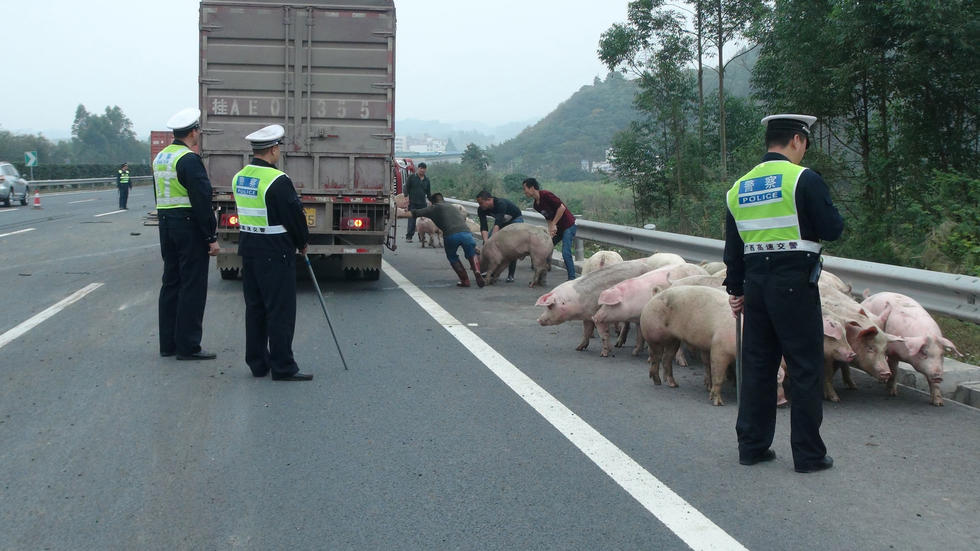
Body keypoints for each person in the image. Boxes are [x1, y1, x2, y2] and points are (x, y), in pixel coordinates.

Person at [723, 114, 844, 474]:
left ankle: (752, 447)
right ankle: (808, 455)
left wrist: (735, 288)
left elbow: (734, 247)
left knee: (758, 366)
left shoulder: (739, 187)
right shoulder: (803, 179)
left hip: (756, 286)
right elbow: (832, 228)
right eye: (805, 143)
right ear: (797, 140)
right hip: (794, 283)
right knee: (805, 367)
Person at [232, 124, 313, 381]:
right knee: (280, 310)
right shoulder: (278, 181)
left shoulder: (240, 177)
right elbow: (295, 217)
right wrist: (302, 242)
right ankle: (283, 366)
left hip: (249, 249)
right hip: (275, 251)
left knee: (255, 308)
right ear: (274, 149)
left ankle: (258, 363)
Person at [153, 108, 220, 360]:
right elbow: (201, 201)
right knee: (192, 285)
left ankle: (168, 344)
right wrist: (211, 237)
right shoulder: (189, 159)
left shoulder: (160, 158)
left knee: (171, 283)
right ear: (193, 132)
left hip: (166, 224)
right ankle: (189, 346)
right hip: (188, 226)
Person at [398, 193, 485, 288]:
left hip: (451, 235)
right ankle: (477, 271)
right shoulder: (452, 207)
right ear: (443, 199)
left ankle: (465, 280)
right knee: (472, 253)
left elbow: (415, 213)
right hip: (466, 233)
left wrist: (400, 214)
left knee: (453, 257)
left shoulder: (433, 208)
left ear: (432, 202)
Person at [522, 177, 577, 280]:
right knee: (544, 248)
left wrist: (554, 224)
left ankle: (572, 278)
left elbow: (561, 208)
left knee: (565, 252)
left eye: (525, 188)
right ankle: (542, 274)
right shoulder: (536, 205)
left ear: (532, 188)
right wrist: (550, 230)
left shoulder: (546, 195)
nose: (524, 192)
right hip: (557, 228)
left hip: (568, 226)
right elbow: (548, 218)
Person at [475, 189, 524, 282]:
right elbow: (484, 226)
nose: (480, 205)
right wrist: (486, 242)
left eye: (481, 203)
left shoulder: (500, 204)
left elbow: (497, 224)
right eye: (478, 203)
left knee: (511, 247)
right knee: (488, 244)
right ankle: (491, 271)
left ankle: (511, 275)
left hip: (515, 220)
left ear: (489, 199)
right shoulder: (481, 209)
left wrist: (491, 242)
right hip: (502, 222)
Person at [404, 162, 431, 242]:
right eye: (421, 168)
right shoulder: (412, 177)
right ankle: (409, 237)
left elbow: (428, 192)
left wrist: (430, 200)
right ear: (418, 168)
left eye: (424, 168)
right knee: (412, 220)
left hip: (422, 203)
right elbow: (406, 188)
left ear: (425, 170)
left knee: (422, 221)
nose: (422, 170)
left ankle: (422, 237)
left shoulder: (427, 180)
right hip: (412, 202)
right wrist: (406, 197)